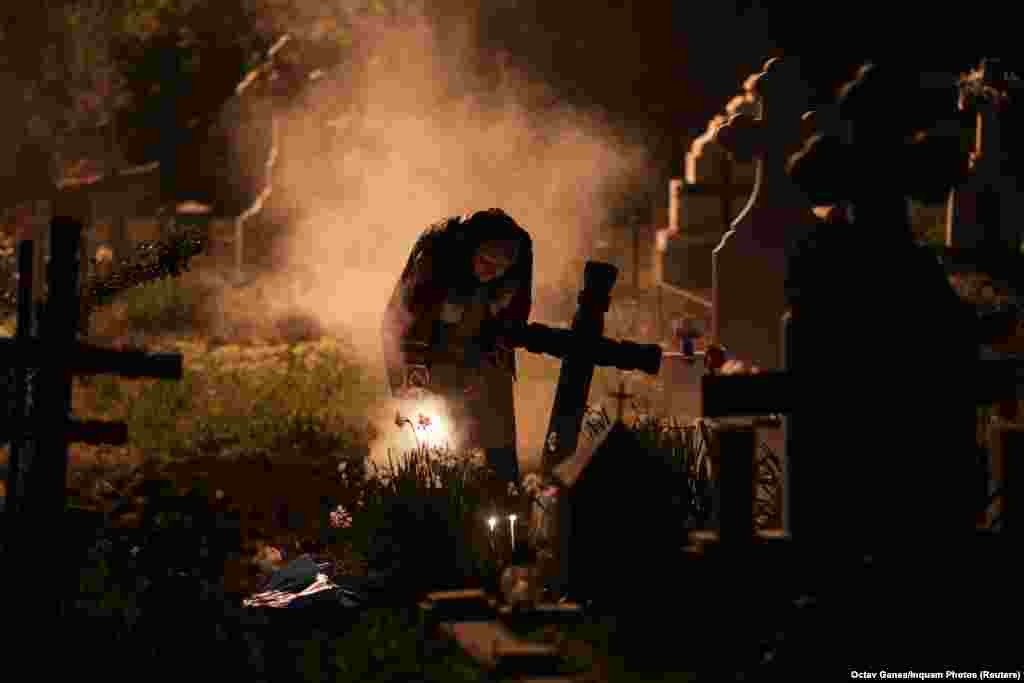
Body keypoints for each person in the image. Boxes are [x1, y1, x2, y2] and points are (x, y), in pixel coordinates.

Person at [382, 208, 533, 488]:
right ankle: (431, 494)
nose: (494, 273)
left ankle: (501, 496)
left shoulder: (520, 251)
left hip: (484, 343)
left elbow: (516, 314)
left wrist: (498, 344)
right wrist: (415, 384)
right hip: (429, 345)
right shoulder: (437, 252)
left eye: (502, 268)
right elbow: (405, 319)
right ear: (470, 250)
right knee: (433, 431)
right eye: (487, 263)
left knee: (495, 434)